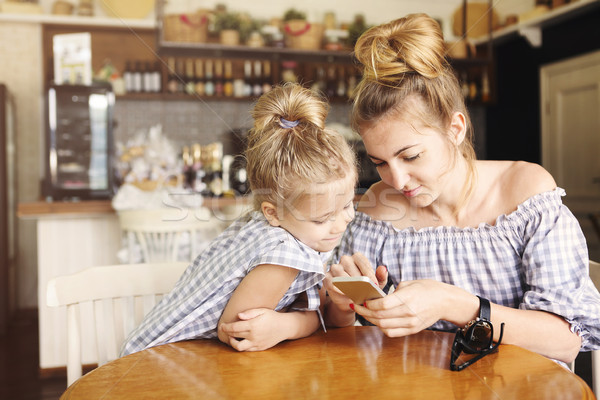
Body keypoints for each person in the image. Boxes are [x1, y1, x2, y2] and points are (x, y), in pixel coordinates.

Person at [323, 13, 600, 364]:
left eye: (411, 155)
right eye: (379, 162)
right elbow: (339, 332)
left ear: (455, 129)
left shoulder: (525, 195)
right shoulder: (377, 211)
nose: (397, 180)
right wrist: (342, 305)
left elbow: (565, 342)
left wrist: (453, 304)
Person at [121, 83, 357, 355]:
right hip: (156, 365)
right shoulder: (284, 252)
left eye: (348, 205)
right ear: (273, 213)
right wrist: (294, 324)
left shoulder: (286, 230)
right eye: (322, 219)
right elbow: (236, 331)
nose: (341, 224)